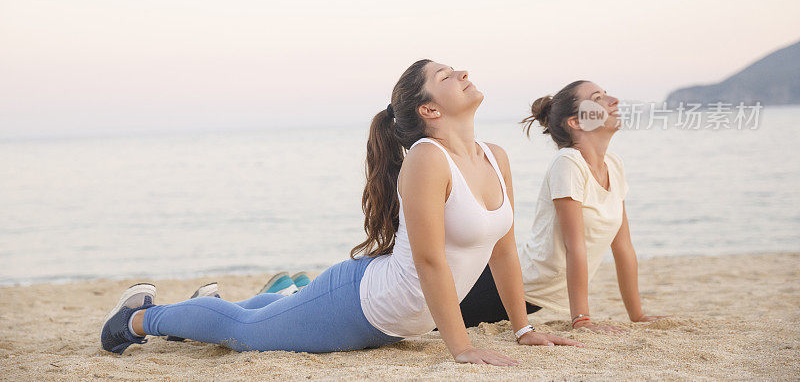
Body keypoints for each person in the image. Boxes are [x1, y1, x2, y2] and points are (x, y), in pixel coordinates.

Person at [100, 60, 581, 363]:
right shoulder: (427, 160)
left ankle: (198, 308)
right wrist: (462, 349)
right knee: (243, 332)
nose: (460, 72)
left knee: (271, 314)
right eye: (444, 76)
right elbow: (431, 262)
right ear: (430, 110)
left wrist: (523, 329)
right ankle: (138, 318)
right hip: (364, 305)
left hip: (395, 318)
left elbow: (503, 252)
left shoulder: (495, 156)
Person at [458, 80, 666, 332]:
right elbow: (574, 246)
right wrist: (582, 319)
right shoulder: (568, 163)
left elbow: (623, 248)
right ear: (575, 122)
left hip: (530, 297)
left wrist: (637, 315)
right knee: (427, 321)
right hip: (509, 287)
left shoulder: (614, 165)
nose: (614, 101)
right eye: (598, 98)